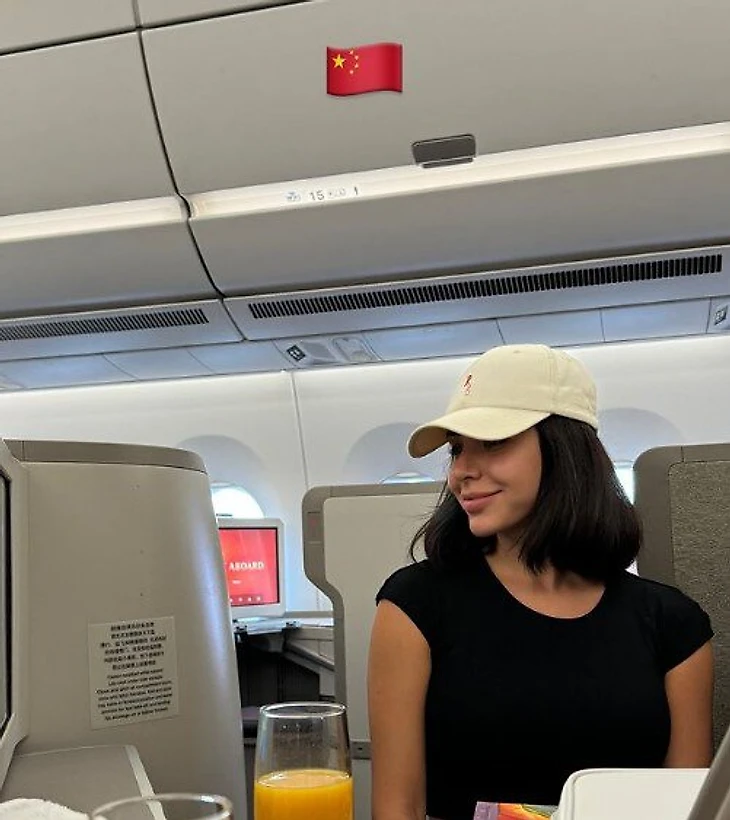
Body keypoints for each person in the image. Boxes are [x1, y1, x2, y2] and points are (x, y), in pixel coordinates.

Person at [367, 344, 714, 820]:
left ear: (564, 449)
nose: (461, 472)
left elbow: (684, 808)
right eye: (457, 449)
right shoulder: (414, 606)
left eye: (492, 442)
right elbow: (398, 808)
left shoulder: (674, 626)